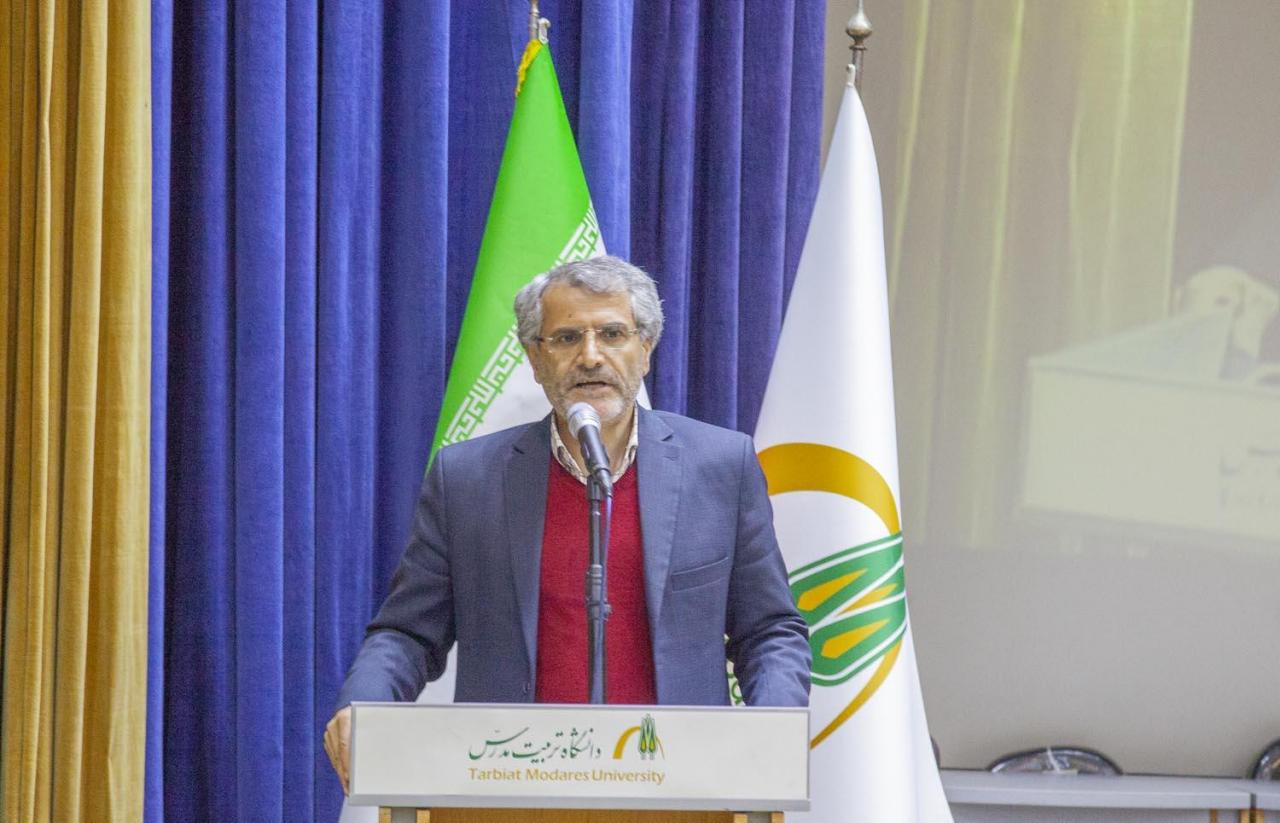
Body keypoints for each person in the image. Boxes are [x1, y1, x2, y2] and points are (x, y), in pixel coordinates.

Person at [324, 255, 810, 791]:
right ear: (536, 358)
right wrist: (363, 704)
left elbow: (769, 630)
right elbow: (409, 633)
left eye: (613, 334)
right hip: (508, 787)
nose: (591, 355)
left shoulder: (720, 467)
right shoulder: (466, 479)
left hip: (683, 789)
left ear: (646, 349)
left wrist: (775, 725)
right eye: (566, 338)